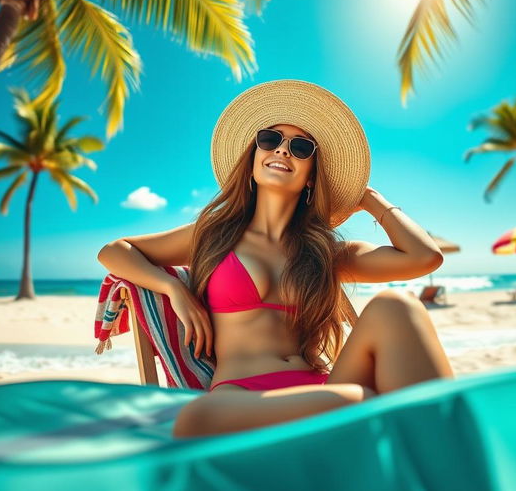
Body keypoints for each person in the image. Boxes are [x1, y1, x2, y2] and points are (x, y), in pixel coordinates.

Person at [97, 79, 454, 438]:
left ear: (313, 176)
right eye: (270, 140)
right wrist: (173, 288)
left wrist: (370, 198)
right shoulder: (214, 235)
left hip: (323, 388)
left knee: (397, 306)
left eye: (300, 148)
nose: (283, 151)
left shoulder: (325, 253)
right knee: (200, 417)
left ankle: (453, 469)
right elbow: (114, 251)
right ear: (253, 156)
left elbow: (424, 257)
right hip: (241, 396)